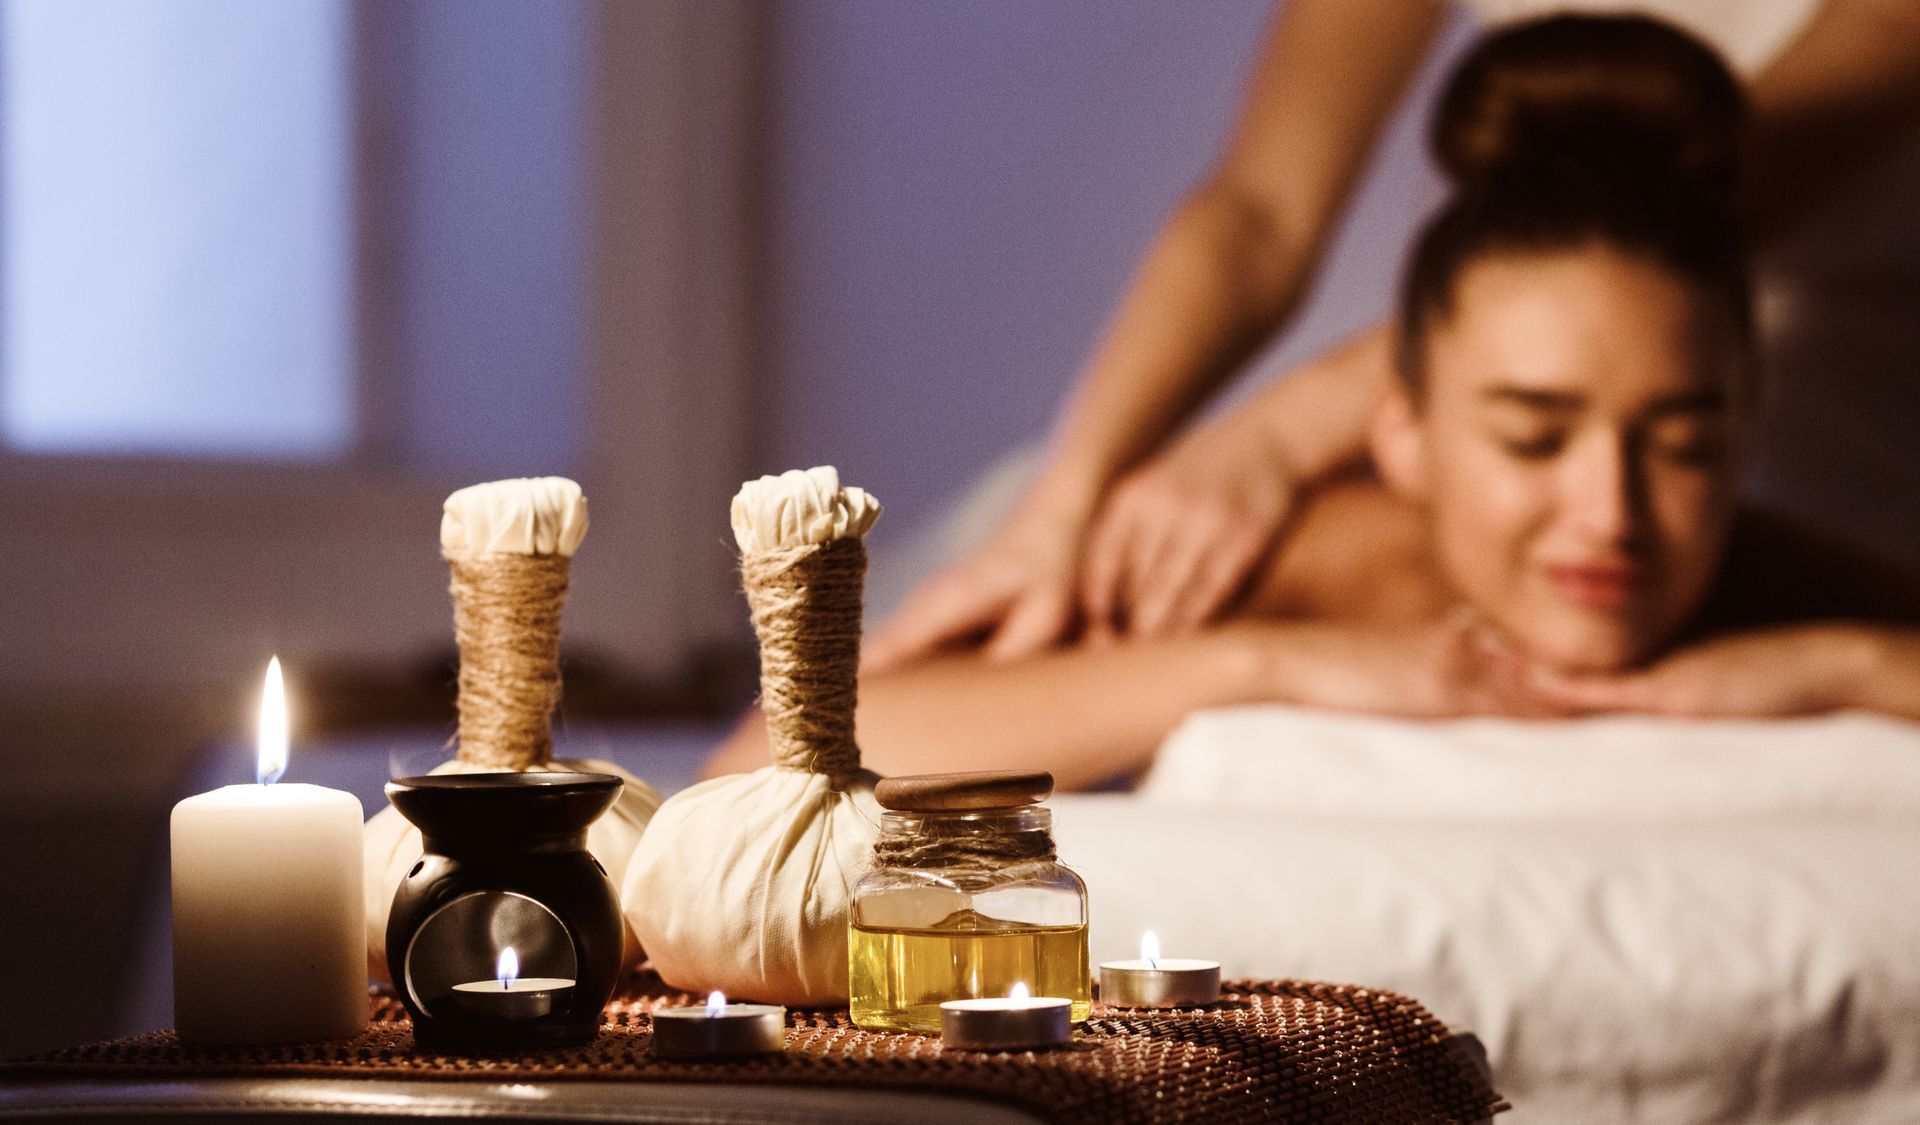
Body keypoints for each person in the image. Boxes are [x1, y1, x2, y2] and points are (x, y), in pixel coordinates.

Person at [703, 13, 1920, 789]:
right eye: (1532, 435)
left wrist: (1840, 665)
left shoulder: (1748, 567)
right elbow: (770, 762)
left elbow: (1639, 260)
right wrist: (1259, 655)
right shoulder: (1283, 557)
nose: (1610, 512)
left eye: (1686, 442)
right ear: (1408, 429)